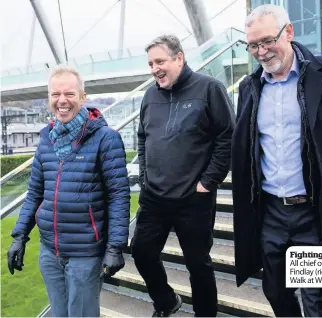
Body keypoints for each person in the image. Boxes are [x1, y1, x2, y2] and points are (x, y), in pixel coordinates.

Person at [232, 4, 322, 317]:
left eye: (268, 41)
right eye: (253, 45)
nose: (262, 51)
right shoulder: (249, 87)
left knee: (320, 303)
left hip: (317, 214)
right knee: (275, 293)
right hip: (271, 214)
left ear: (289, 32)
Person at [7, 66, 130, 317]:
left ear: (83, 98)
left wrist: (115, 247)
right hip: (50, 252)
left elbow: (118, 195)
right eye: (55, 94)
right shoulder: (46, 139)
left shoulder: (106, 138)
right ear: (49, 98)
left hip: (85, 253)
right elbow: (35, 193)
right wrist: (19, 235)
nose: (62, 101)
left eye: (69, 94)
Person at [131, 34, 235, 317]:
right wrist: (144, 176)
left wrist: (207, 182)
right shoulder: (150, 95)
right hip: (155, 196)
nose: (154, 69)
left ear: (179, 58)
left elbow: (227, 137)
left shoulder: (209, 88)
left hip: (194, 197)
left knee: (197, 264)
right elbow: (142, 137)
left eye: (160, 61)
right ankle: (166, 301)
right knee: (141, 251)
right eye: (151, 63)